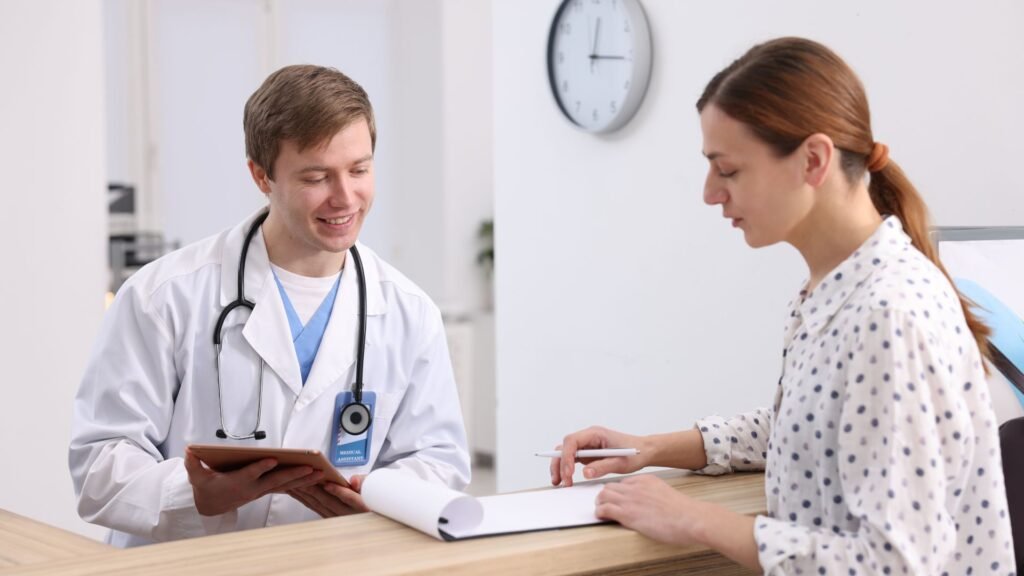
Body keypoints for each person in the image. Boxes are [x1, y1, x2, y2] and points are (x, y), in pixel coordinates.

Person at [552, 38, 1016, 574]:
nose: (709, 193)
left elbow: (895, 564)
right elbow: (807, 429)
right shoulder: (832, 292)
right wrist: (651, 448)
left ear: (813, 160)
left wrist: (694, 520)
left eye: (727, 170)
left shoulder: (888, 314)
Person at [69, 65, 470, 547]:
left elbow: (439, 459)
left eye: (359, 170)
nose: (345, 197)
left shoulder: (409, 311)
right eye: (317, 177)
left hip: (334, 560)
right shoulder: (164, 296)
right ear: (261, 175)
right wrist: (191, 496)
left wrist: (383, 499)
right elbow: (98, 466)